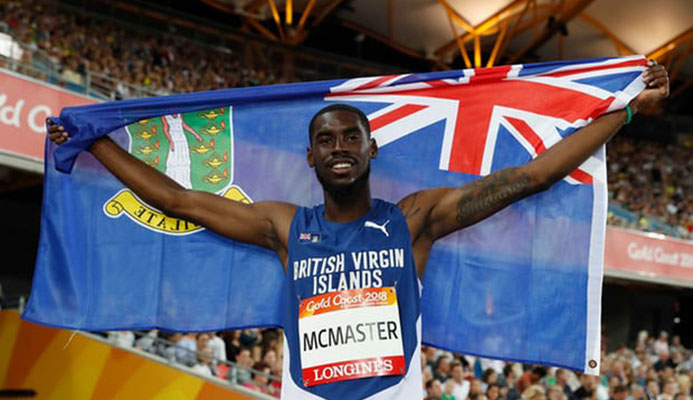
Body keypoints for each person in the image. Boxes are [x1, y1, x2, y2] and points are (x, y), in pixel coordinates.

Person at [47, 64, 669, 400]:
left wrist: (628, 107)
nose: (340, 147)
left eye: (351, 137)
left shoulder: (415, 219)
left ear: (371, 150)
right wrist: (97, 140)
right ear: (310, 159)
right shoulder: (285, 226)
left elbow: (532, 175)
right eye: (326, 140)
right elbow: (181, 200)